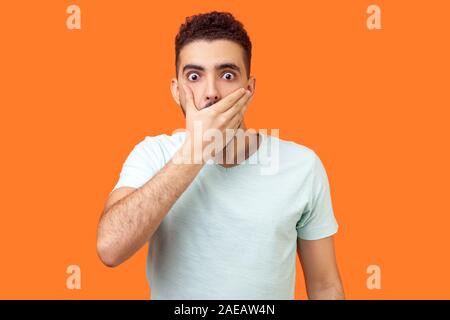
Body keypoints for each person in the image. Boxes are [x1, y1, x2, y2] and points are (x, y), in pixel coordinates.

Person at [96, 11, 345, 300]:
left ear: (249, 89)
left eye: (227, 75)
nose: (211, 92)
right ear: (176, 91)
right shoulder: (153, 154)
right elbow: (109, 248)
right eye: (194, 76)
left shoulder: (302, 166)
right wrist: (195, 150)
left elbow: (325, 286)